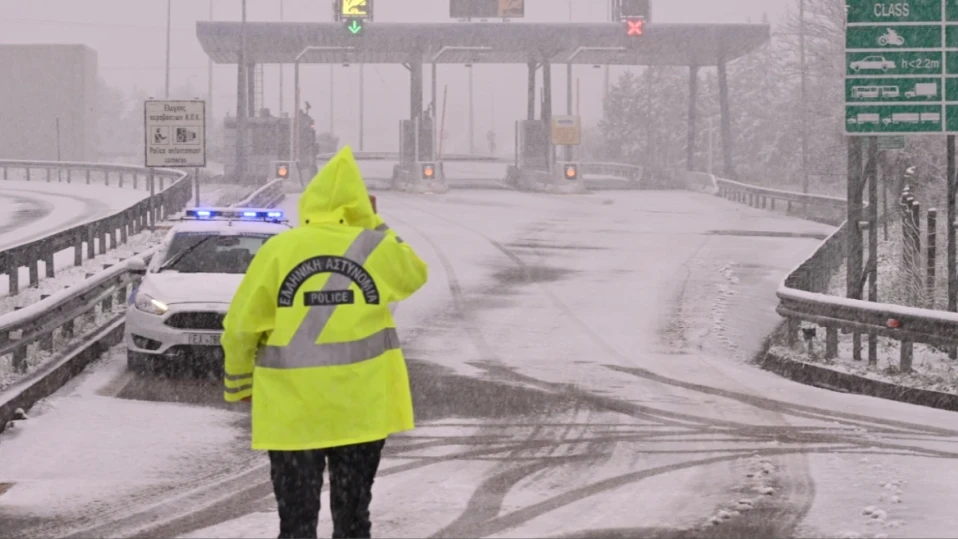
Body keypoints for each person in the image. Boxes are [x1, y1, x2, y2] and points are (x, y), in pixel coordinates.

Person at [221, 145, 429, 538]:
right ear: (358, 205)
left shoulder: (279, 249)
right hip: (360, 411)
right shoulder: (374, 246)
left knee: (296, 524)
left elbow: (240, 326)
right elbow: (414, 275)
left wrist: (239, 385)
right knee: (353, 519)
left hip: (293, 415)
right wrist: (374, 222)